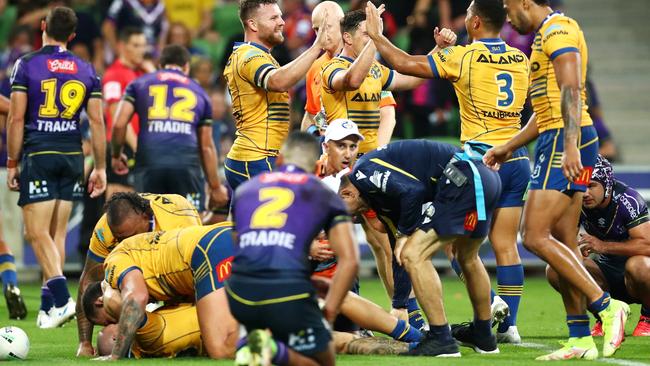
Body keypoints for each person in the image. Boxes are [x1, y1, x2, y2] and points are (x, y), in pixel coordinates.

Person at [365, 0, 530, 343]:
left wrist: (378, 38)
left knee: (457, 249)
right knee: (505, 245)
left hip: (484, 162)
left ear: (474, 24)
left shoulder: (464, 57)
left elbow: (404, 64)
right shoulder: (520, 58)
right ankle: (508, 325)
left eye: (468, 13)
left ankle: (468, 327)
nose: (464, 16)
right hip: (517, 158)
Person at [482, 0, 630, 360]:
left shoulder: (557, 28)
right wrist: (508, 146)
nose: (506, 13)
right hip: (568, 136)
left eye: (507, 5)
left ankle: (607, 306)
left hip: (566, 140)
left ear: (524, 2)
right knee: (564, 239)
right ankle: (579, 337)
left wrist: (569, 144)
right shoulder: (542, 36)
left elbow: (570, 86)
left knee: (532, 235)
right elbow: (547, 107)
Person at [339, 139, 502, 357]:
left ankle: (441, 339)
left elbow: (413, 191)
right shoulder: (379, 196)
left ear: (347, 194)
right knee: (466, 257)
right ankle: (483, 336)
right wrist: (400, 304)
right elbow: (396, 245)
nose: (343, 218)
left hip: (462, 177)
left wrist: (405, 233)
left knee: (414, 254)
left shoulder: (362, 172)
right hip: (484, 177)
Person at [6, 6, 106, 329]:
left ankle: (62, 300)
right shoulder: (86, 69)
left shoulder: (27, 65)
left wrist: (11, 160)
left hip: (40, 152)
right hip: (73, 154)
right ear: (73, 36)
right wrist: (100, 167)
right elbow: (97, 121)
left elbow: (16, 117)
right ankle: (49, 307)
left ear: (43, 26)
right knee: (56, 233)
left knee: (35, 232)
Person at [227, 131, 359, 366]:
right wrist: (328, 312)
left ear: (279, 159)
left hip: (239, 292)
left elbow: (238, 243)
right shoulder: (323, 193)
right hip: (288, 290)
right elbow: (350, 261)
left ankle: (261, 347)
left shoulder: (245, 190)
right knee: (324, 358)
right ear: (315, 166)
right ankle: (272, 350)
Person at [75, 192, 201, 357]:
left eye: (129, 237)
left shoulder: (177, 221)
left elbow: (194, 279)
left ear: (146, 217)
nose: (125, 244)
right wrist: (84, 343)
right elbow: (88, 281)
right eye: (119, 239)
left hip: (189, 268)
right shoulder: (106, 229)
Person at [222, 0, 329, 192]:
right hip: (255, 158)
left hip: (258, 157)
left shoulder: (261, 56)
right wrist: (316, 47)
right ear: (253, 24)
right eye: (273, 18)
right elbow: (278, 82)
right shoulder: (249, 57)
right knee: (272, 220)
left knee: (246, 221)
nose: (282, 22)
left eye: (280, 16)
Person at [111, 45, 228, 211]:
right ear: (186, 67)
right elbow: (206, 146)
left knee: (149, 223)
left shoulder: (139, 84)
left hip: (149, 163)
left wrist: (116, 155)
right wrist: (215, 186)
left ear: (160, 65)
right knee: (188, 226)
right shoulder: (201, 93)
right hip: (186, 166)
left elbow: (119, 123)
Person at [98, 223, 238, 360]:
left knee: (220, 349)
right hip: (226, 231)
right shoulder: (137, 249)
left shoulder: (115, 267)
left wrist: (116, 355)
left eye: (109, 320)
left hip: (209, 249)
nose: (122, 321)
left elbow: (128, 299)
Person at [546, 156, 650, 337]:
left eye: (591, 185)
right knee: (556, 269)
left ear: (607, 184)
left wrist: (603, 246)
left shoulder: (628, 200)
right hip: (606, 273)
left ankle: (648, 318)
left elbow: (647, 245)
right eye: (581, 185)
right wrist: (574, 248)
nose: (585, 192)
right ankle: (605, 315)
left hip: (637, 278)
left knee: (639, 265)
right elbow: (560, 241)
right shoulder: (576, 200)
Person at [82, 282, 204, 358]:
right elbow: (130, 308)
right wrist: (107, 285)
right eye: (111, 323)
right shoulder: (146, 334)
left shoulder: (144, 350)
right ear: (117, 336)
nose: (118, 319)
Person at [102, 27, 153, 199]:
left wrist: (152, 71)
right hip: (123, 147)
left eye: (143, 46)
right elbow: (117, 114)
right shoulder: (113, 75)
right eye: (136, 45)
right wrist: (138, 148)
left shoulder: (142, 73)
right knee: (118, 205)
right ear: (122, 46)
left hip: (141, 144)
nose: (142, 50)